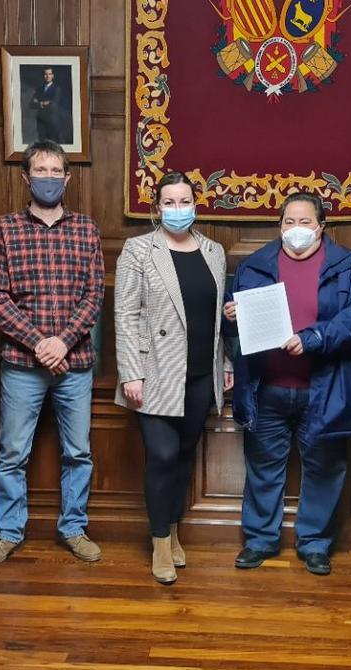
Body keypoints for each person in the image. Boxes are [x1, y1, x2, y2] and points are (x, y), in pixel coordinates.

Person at [225, 191, 351, 576]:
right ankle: (259, 540)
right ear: (279, 226)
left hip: (325, 389)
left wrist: (312, 338)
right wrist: (231, 315)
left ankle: (315, 544)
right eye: (289, 222)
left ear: (322, 226)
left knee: (325, 468)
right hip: (267, 386)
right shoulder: (255, 265)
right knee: (262, 466)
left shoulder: (349, 267)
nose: (296, 230)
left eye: (305, 222)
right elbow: (233, 323)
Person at [0, 139, 105, 569]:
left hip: (76, 365)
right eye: (41, 171)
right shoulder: (5, 229)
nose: (48, 178)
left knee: (78, 452)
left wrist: (63, 341)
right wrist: (39, 343)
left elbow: (93, 297)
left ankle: (73, 527)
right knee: (12, 454)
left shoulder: (86, 229)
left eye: (56, 171)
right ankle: (8, 532)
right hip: (21, 365)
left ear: (67, 178)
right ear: (25, 177)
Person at [114, 171, 232, 584]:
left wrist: (228, 365)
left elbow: (218, 317)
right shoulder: (138, 250)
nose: (178, 209)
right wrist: (131, 373)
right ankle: (160, 541)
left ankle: (174, 530)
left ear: (195, 205)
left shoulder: (214, 251)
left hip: (201, 373)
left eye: (185, 202)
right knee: (161, 456)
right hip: (154, 372)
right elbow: (125, 315)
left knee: (182, 458)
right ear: (156, 206)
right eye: (170, 202)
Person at [31, 67, 63, 142]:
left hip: (52, 122)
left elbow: (53, 104)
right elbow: (31, 104)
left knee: (52, 145)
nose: (47, 76)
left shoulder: (57, 89)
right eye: (45, 74)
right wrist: (42, 103)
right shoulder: (38, 89)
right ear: (43, 76)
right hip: (41, 121)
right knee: (42, 145)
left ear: (53, 76)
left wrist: (38, 102)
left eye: (49, 74)